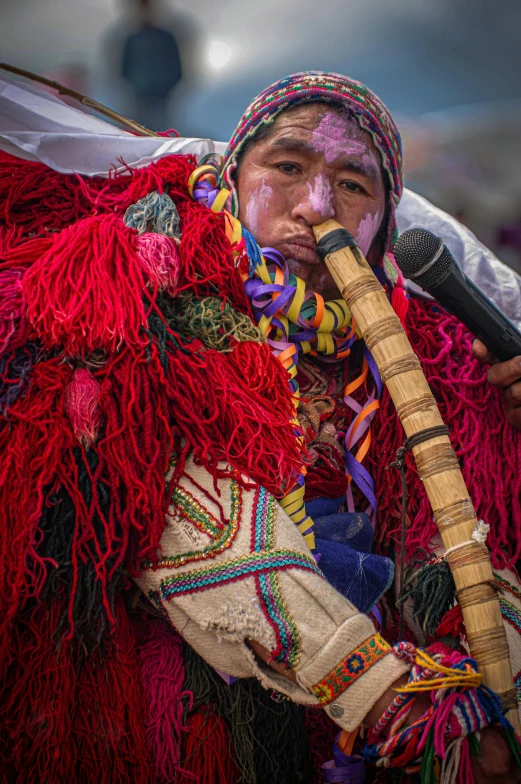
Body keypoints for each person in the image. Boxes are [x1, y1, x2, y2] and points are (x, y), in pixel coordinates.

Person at [1, 71, 520, 783]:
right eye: (286, 166)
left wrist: (487, 674)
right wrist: (390, 702)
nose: (315, 206)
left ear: (384, 223)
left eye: (353, 185)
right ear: (232, 172)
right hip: (194, 718)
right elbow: (177, 500)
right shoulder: (146, 272)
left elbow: (456, 529)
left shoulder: (427, 347)